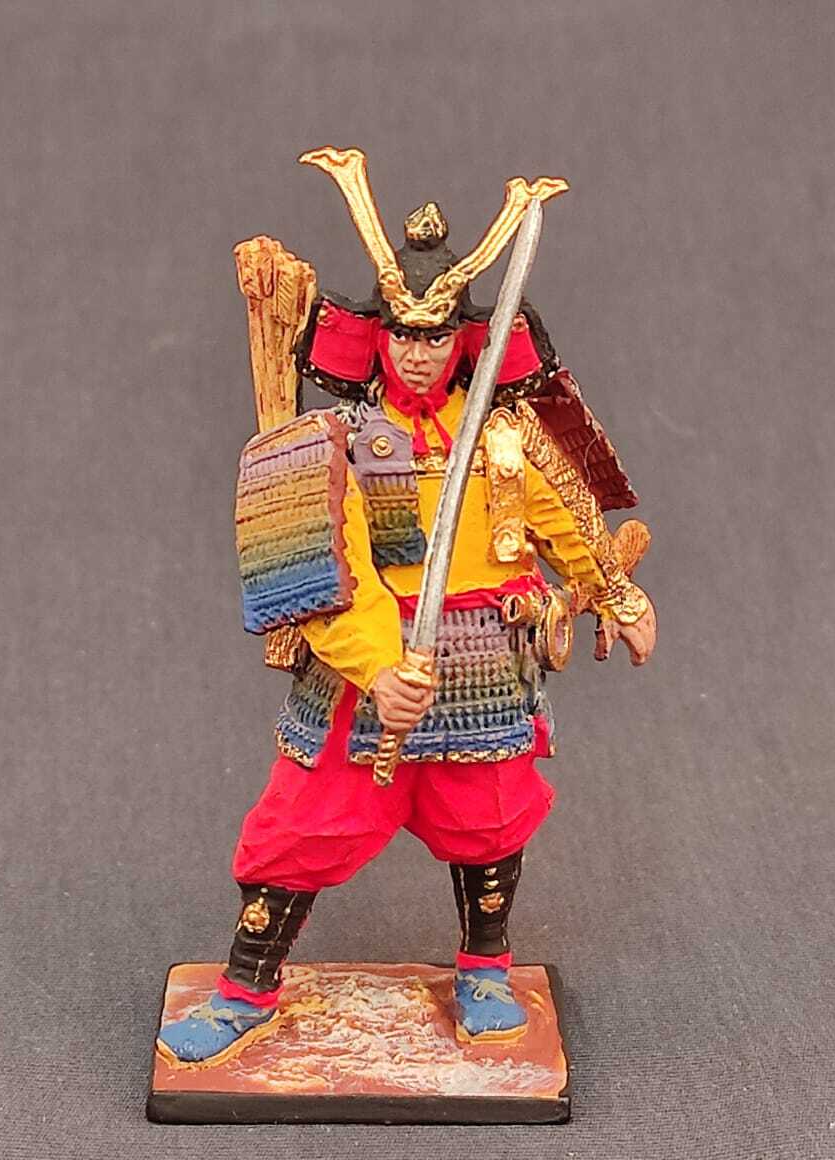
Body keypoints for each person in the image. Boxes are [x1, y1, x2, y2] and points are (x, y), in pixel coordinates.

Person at [156, 148, 656, 1069]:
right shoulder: (338, 440)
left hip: (484, 660)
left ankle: (486, 969)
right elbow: (320, 569)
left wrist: (616, 593)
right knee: (298, 825)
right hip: (365, 668)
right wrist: (379, 667)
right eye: (405, 335)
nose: (420, 353)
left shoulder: (503, 437)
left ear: (464, 340)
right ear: (378, 337)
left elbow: (565, 516)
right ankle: (245, 990)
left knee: (490, 817)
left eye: (437, 337)